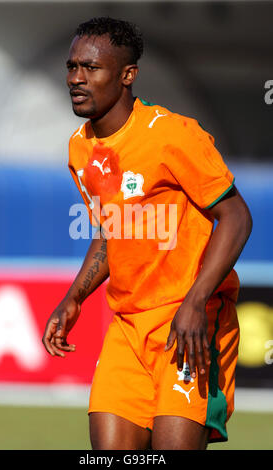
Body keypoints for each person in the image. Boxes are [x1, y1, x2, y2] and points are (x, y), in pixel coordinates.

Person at [42, 17, 252, 450]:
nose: (76, 78)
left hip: (188, 323)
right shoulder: (80, 148)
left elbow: (236, 216)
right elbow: (108, 229)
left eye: (90, 67)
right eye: (71, 67)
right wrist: (75, 297)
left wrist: (196, 301)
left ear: (127, 75)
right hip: (127, 328)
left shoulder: (171, 134)